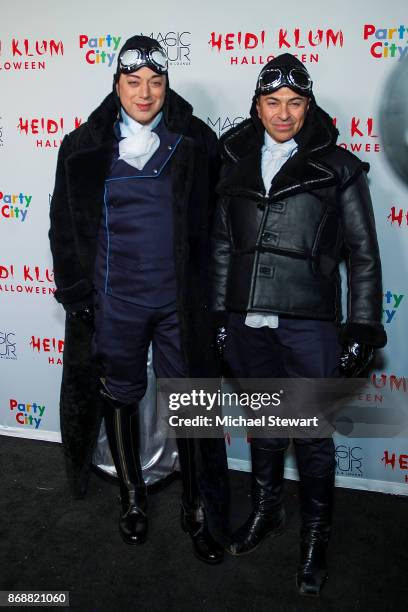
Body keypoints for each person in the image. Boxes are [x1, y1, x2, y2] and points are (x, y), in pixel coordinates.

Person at [210, 53, 386, 594]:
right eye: (273, 102)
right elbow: (221, 244)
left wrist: (361, 326)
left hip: (308, 322)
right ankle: (268, 512)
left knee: (311, 436)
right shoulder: (233, 158)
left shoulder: (339, 166)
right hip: (246, 322)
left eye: (295, 103)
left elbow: (363, 253)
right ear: (257, 106)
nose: (283, 113)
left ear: (309, 107)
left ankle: (316, 537)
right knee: (265, 427)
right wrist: (219, 313)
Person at [49, 35, 228, 564]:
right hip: (116, 300)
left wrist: (213, 297)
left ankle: (196, 510)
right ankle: (132, 498)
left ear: (166, 84)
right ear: (117, 84)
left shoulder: (195, 141)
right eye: (134, 82)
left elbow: (218, 225)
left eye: (155, 81)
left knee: (191, 405)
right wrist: (78, 292)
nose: (145, 93)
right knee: (120, 395)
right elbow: (64, 226)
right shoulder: (81, 146)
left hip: (179, 301)